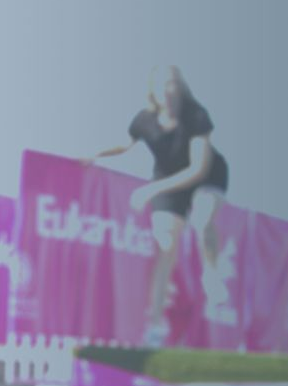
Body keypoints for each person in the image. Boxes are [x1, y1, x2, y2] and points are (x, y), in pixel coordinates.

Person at [83, 65, 231, 346]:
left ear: (181, 88)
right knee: (166, 247)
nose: (168, 90)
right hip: (168, 176)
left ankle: (212, 275)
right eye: (163, 84)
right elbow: (124, 145)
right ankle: (155, 325)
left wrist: (150, 189)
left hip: (206, 175)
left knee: (201, 218)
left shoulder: (196, 115)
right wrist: (97, 153)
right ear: (154, 90)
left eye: (173, 84)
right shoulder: (144, 120)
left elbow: (198, 169)